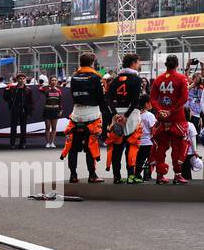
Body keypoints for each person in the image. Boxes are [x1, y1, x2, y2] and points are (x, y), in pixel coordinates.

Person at [65, 54, 109, 184]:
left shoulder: (74, 77)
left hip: (76, 113)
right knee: (91, 145)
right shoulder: (96, 77)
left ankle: (73, 175)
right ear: (92, 63)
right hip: (92, 115)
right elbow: (101, 98)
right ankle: (92, 175)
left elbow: (72, 94)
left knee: (73, 147)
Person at [149, 55, 190, 185]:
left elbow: (153, 98)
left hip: (161, 119)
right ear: (177, 65)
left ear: (166, 64)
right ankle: (177, 175)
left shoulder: (158, 79)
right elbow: (184, 98)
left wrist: (160, 110)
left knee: (161, 147)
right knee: (177, 147)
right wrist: (171, 111)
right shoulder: (182, 78)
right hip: (177, 118)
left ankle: (160, 175)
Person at [105, 53, 146, 184]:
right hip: (131, 115)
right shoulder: (137, 79)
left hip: (117, 114)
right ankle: (131, 176)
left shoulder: (115, 79)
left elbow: (108, 99)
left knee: (117, 146)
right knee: (131, 146)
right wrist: (127, 115)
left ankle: (116, 176)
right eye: (138, 62)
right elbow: (135, 100)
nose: (139, 65)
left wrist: (115, 114)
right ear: (133, 63)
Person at [4, 74, 32, 149]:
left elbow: (30, 101)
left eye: (23, 78)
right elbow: (6, 98)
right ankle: (12, 143)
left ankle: (22, 143)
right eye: (20, 78)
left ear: (25, 80)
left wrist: (29, 112)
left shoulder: (28, 89)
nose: (22, 80)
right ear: (17, 79)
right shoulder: (13, 88)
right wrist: (6, 91)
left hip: (24, 110)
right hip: (15, 109)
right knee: (13, 127)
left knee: (23, 127)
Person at [40, 75, 64, 149]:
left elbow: (60, 102)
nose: (54, 81)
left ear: (57, 81)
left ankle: (52, 142)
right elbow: (40, 88)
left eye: (55, 80)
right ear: (50, 81)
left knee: (54, 127)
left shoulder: (58, 90)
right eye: (52, 80)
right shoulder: (47, 89)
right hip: (47, 109)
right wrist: (47, 85)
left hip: (55, 110)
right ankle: (47, 143)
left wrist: (61, 110)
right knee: (47, 127)